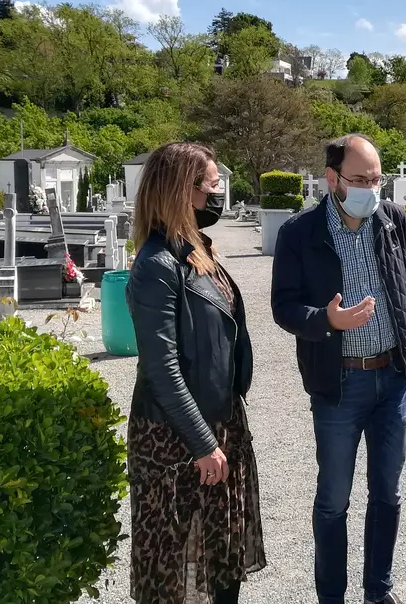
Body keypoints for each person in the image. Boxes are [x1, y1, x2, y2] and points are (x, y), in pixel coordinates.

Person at [270, 134, 406, 604]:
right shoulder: (300, 233)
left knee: (388, 493)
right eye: (360, 180)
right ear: (332, 179)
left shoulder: (392, 220)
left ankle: (378, 590)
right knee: (334, 500)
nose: (371, 189)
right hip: (339, 384)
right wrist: (327, 321)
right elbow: (284, 307)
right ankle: (331, 597)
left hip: (392, 378)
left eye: (377, 179)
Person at [125, 142, 265, 604]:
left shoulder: (196, 251)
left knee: (220, 554)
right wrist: (203, 443)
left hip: (221, 422)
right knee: (174, 567)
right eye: (212, 183)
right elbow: (162, 367)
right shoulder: (156, 266)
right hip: (174, 439)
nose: (220, 190)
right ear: (183, 191)